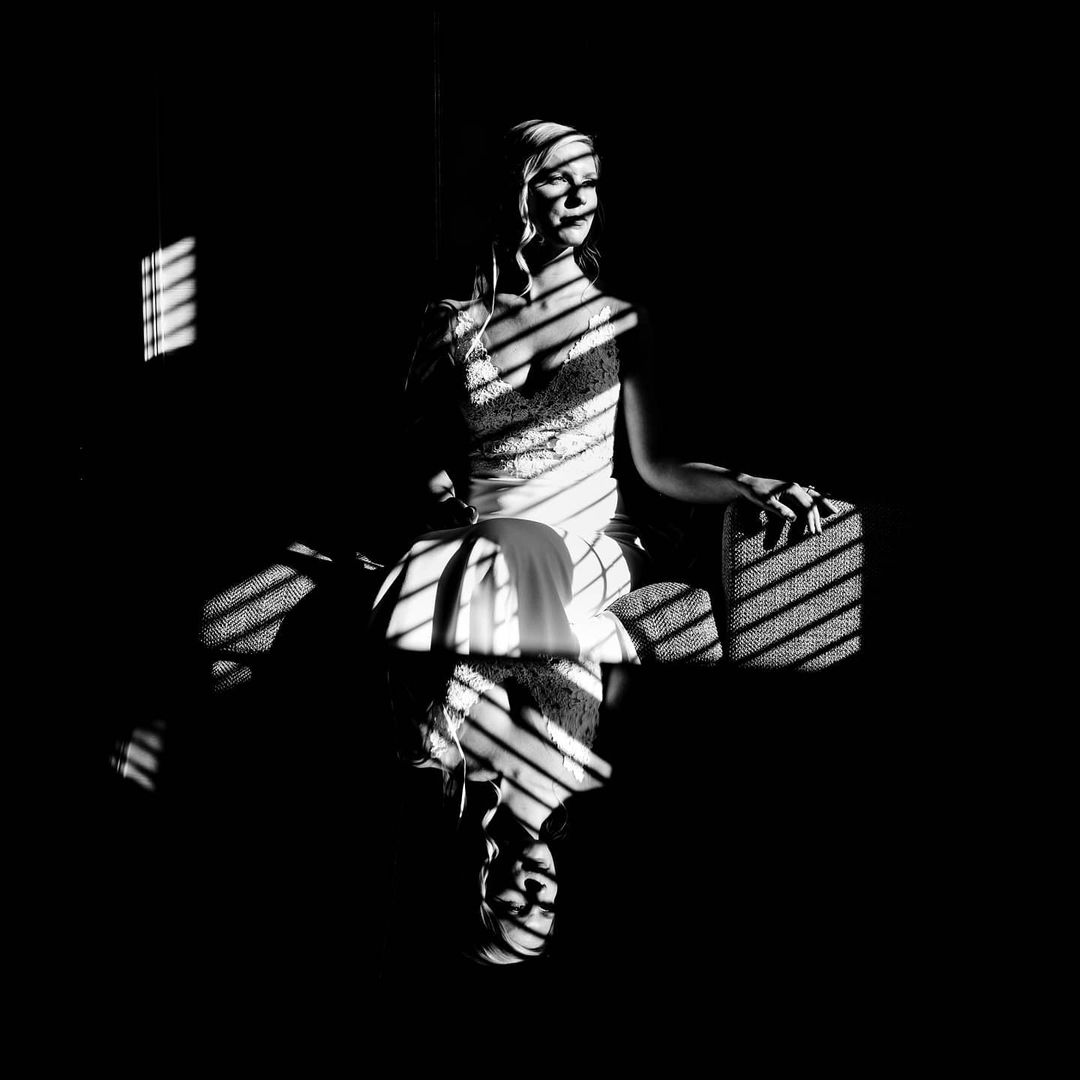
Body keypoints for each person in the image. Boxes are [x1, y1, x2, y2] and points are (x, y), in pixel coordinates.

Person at [373, 118, 826, 962]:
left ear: (482, 883)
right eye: (560, 177)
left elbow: (655, 468)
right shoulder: (453, 322)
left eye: (590, 177)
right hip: (482, 530)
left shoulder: (619, 319)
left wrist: (746, 481)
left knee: (512, 571)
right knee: (503, 561)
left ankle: (478, 660)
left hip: (583, 532)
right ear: (519, 192)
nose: (583, 194)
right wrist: (442, 493)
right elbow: (409, 452)